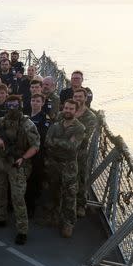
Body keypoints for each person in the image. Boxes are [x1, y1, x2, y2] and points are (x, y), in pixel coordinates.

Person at [0, 95, 40, 244]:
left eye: (15, 105)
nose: (12, 108)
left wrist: (24, 158)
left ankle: (22, 230)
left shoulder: (28, 125)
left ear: (20, 106)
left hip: (17, 164)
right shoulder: (1, 122)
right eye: (9, 105)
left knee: (18, 197)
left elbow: (35, 146)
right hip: (0, 161)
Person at [43, 99, 86, 238]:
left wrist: (56, 142)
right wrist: (63, 142)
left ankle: (69, 223)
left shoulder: (79, 128)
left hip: (69, 166)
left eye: (71, 109)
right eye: (66, 108)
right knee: (53, 191)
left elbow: (73, 147)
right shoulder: (56, 126)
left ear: (76, 111)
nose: (68, 111)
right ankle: (53, 217)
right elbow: (47, 142)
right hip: (54, 164)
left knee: (69, 195)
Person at [72, 88, 98, 217]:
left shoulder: (90, 117)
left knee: (81, 179)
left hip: (80, 153)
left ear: (85, 98)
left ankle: (81, 205)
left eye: (80, 96)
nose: (77, 98)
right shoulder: (69, 111)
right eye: (75, 96)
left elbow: (84, 137)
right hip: (65, 152)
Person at [25, 93, 50, 217]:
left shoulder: (45, 119)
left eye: (37, 101)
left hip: (37, 153)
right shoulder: (26, 116)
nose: (35, 103)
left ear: (42, 103)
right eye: (33, 100)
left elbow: (42, 136)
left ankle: (31, 208)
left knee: (34, 180)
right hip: (24, 151)